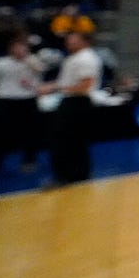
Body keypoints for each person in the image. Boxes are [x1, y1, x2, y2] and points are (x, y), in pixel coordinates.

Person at [39, 31, 102, 186]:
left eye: (74, 40)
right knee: (72, 141)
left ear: (85, 41)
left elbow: (85, 86)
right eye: (68, 40)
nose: (70, 43)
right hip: (71, 101)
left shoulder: (86, 58)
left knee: (66, 140)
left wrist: (55, 88)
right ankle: (75, 174)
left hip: (77, 103)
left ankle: (68, 176)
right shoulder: (74, 58)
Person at [0, 36, 44, 175]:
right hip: (5, 100)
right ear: (10, 49)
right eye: (16, 47)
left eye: (23, 47)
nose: (20, 50)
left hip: (27, 100)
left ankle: (29, 160)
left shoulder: (33, 60)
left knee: (30, 133)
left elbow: (40, 72)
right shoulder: (0, 63)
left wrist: (28, 61)